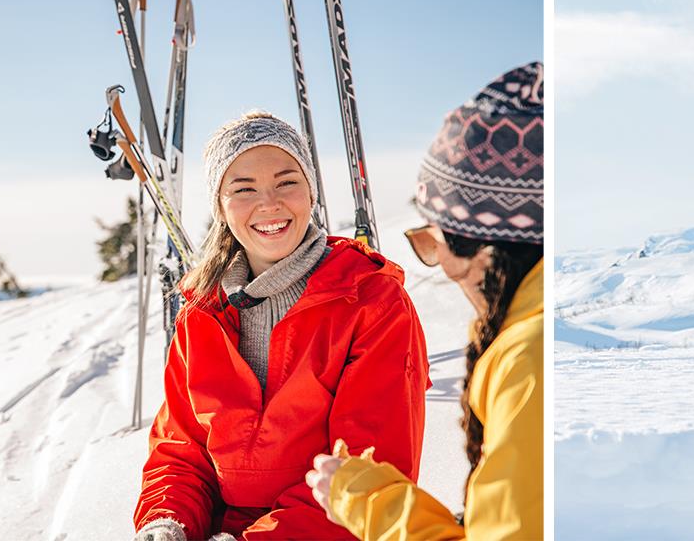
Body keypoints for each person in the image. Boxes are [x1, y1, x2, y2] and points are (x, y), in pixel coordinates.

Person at [132, 112, 431, 540]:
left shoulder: (371, 302)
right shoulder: (201, 311)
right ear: (220, 206)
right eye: (243, 188)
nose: (269, 203)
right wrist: (167, 522)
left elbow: (368, 473)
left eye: (287, 181)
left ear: (311, 189)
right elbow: (180, 450)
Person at [304, 62, 544, 539]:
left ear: (487, 249)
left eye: (434, 242)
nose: (440, 266)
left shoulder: (528, 363)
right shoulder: (527, 343)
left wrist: (374, 503)